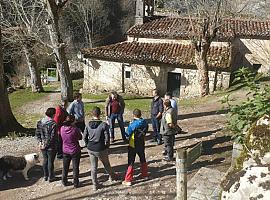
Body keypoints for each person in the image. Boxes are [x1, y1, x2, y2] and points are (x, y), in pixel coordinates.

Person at [83, 106, 118, 191]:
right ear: (100, 114)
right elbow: (107, 137)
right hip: (100, 148)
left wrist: (87, 144)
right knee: (106, 164)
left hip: (90, 148)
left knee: (93, 167)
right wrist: (107, 146)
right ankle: (111, 176)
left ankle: (95, 184)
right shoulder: (103, 125)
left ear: (92, 114)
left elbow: (84, 137)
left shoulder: (87, 124)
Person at [122, 109, 149, 186]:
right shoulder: (144, 122)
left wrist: (130, 125)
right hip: (141, 143)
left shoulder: (133, 124)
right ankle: (144, 174)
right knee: (142, 158)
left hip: (133, 144)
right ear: (140, 115)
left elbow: (127, 134)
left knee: (131, 161)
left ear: (133, 115)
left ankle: (128, 179)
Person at [36, 107, 58, 182]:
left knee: (45, 160)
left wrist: (40, 142)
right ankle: (51, 177)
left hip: (42, 145)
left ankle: (45, 176)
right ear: (53, 114)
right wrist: (46, 144)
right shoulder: (53, 124)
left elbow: (37, 133)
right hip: (51, 146)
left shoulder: (40, 122)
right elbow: (52, 137)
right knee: (50, 161)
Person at [60, 115, 82, 188]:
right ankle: (76, 183)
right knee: (75, 167)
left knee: (65, 167)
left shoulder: (62, 128)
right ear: (72, 121)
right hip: (75, 150)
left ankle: (64, 181)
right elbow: (80, 137)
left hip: (65, 150)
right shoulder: (75, 129)